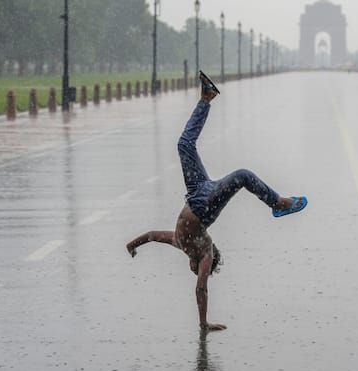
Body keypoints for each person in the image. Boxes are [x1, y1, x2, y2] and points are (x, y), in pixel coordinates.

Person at [127, 71, 307, 332]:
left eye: (194, 270)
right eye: (196, 269)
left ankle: (206, 98)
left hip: (195, 191)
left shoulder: (179, 242)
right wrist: (203, 322)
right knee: (242, 175)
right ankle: (278, 204)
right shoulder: (205, 255)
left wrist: (132, 245)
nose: (192, 270)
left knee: (184, 145)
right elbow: (201, 288)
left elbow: (153, 235)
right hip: (203, 206)